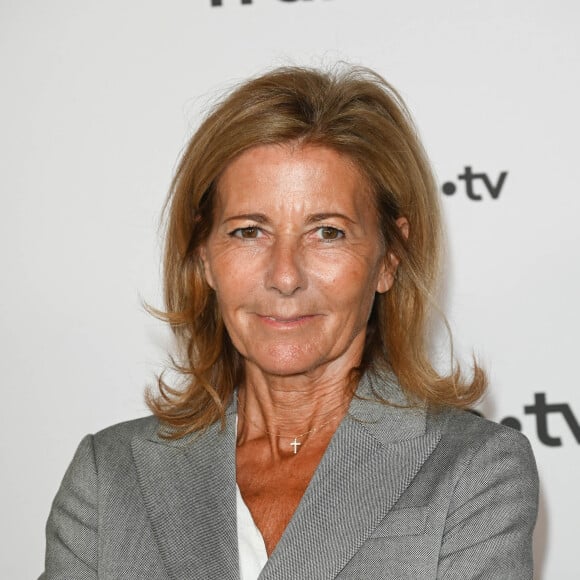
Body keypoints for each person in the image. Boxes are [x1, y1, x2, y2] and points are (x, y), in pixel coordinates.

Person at [40, 66, 538, 580]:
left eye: (327, 232)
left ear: (390, 257)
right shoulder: (110, 476)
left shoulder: (472, 471)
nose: (284, 276)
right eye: (249, 231)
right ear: (204, 253)